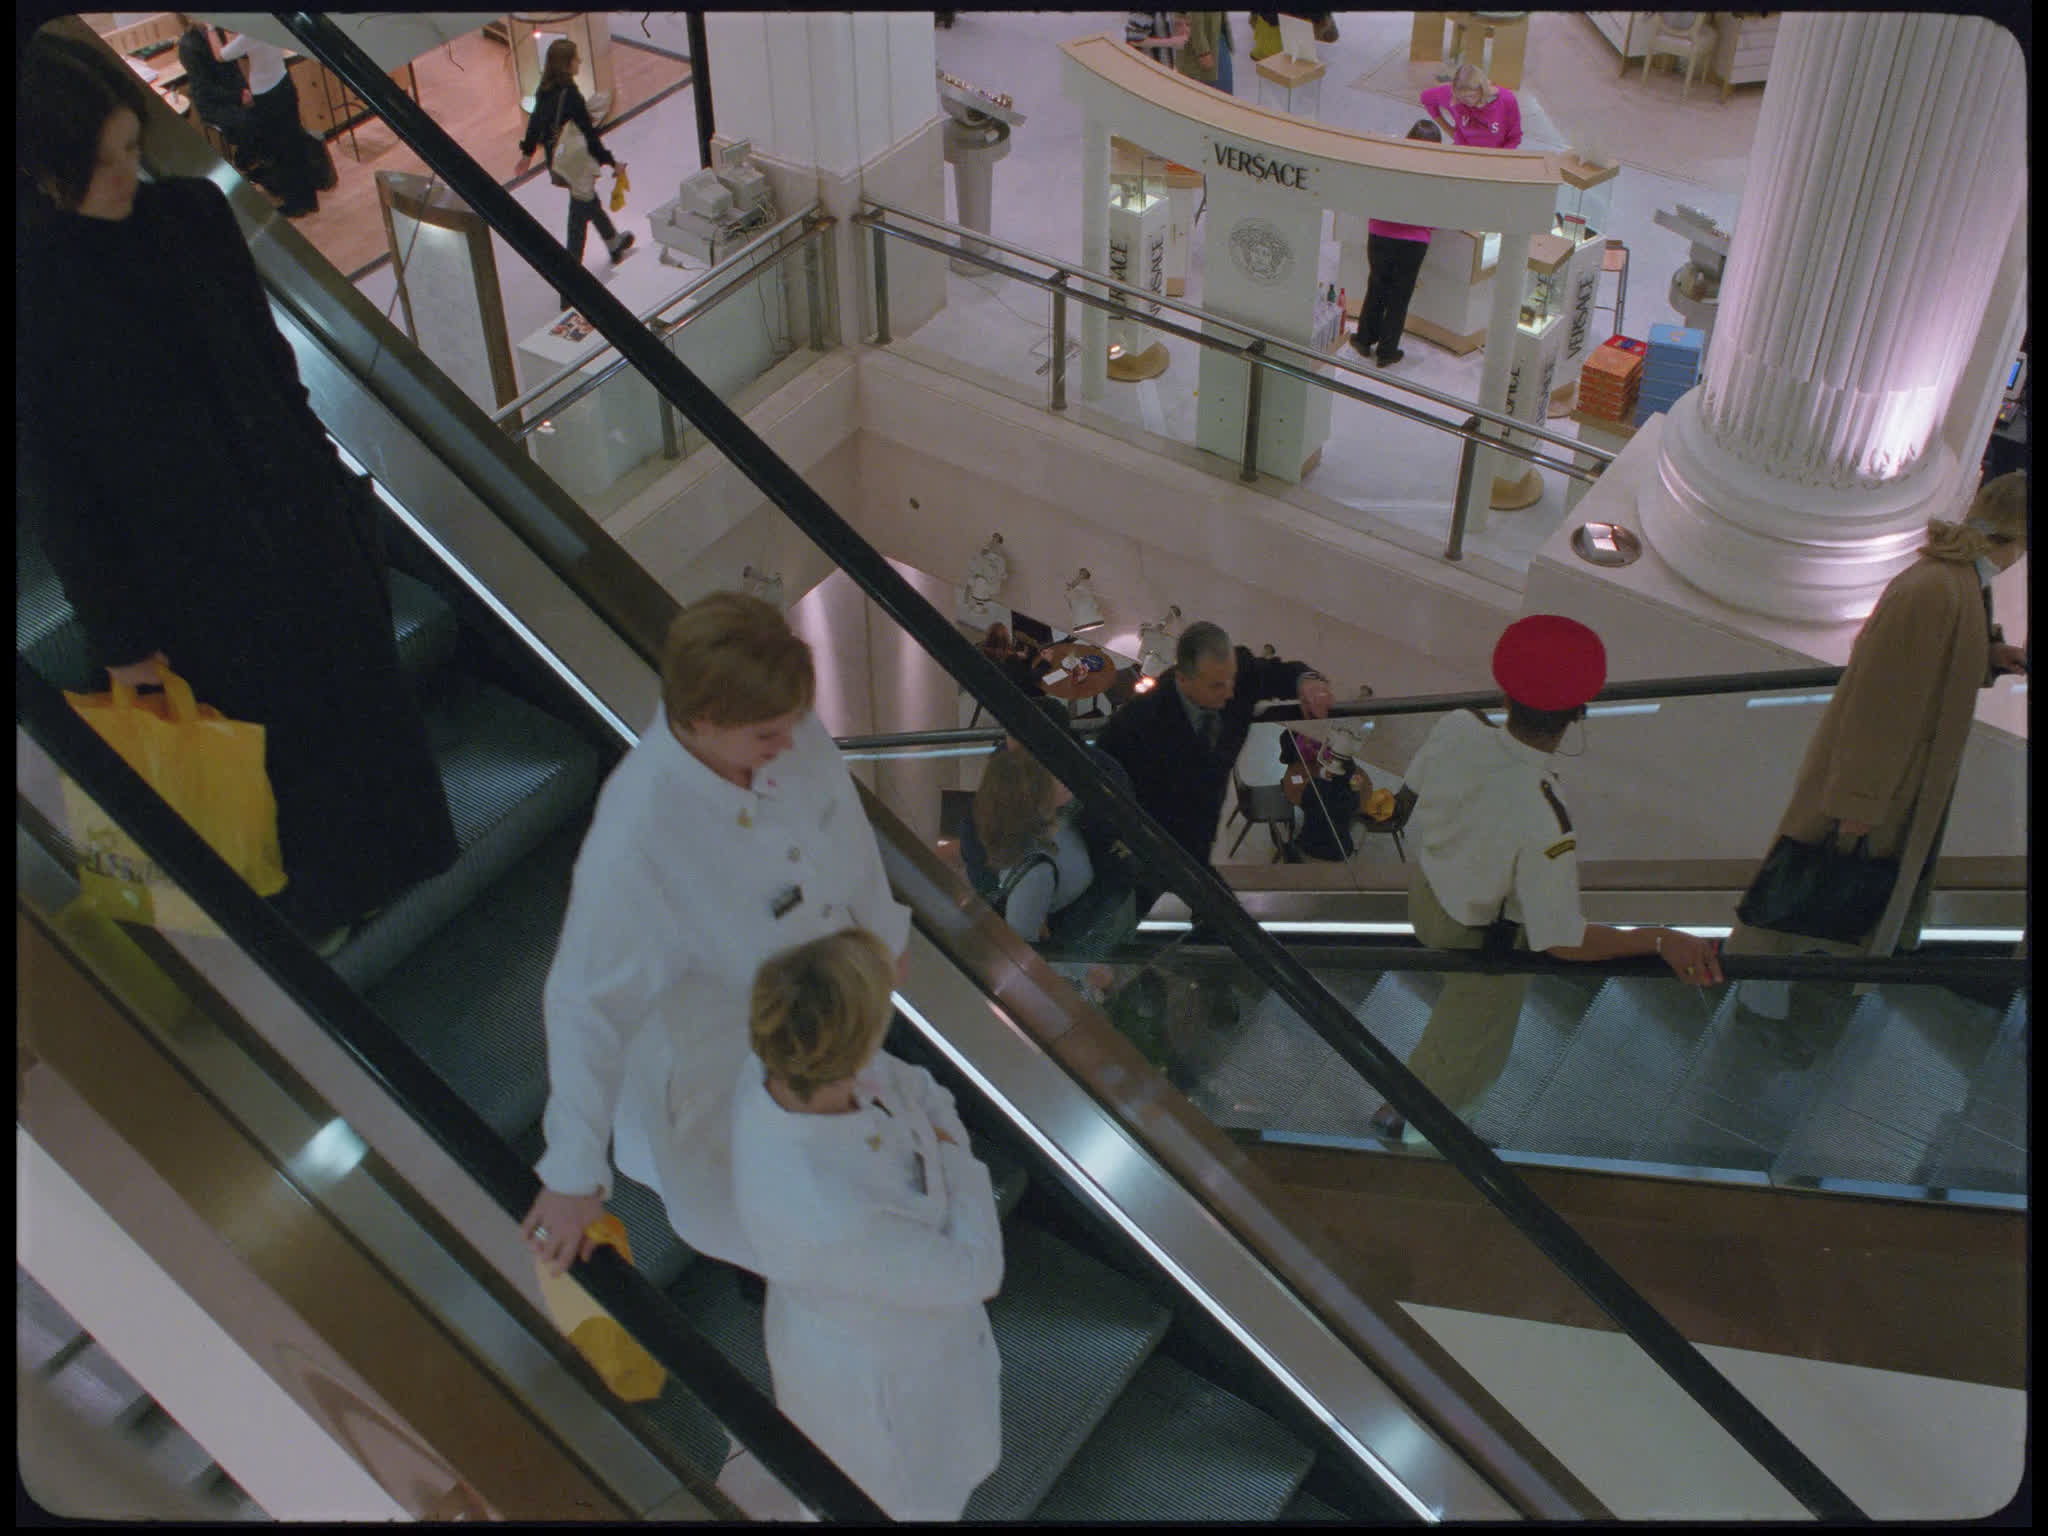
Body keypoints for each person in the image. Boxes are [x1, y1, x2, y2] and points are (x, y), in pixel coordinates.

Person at [17, 28, 458, 945]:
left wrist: (329, 488)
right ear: (47, 175)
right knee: (278, 745)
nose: (129, 176)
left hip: (293, 510)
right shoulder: (37, 296)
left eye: (133, 149)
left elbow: (271, 368)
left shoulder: (190, 216)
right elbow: (61, 487)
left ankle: (401, 864)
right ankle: (325, 909)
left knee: (358, 699)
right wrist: (122, 639)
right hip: (188, 565)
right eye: (104, 165)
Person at [523, 592, 913, 1278]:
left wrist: (880, 933)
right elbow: (587, 1003)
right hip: (722, 1065)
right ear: (701, 721)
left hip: (834, 1016)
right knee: (782, 1241)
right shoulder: (637, 839)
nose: (789, 743)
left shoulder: (787, 727)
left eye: (794, 721)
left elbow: (844, 829)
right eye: (767, 733)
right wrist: (572, 1173)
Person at [1368, 615, 1723, 1149]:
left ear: (1506, 696)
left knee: (1454, 1028)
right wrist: (1654, 938)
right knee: (1467, 1040)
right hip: (1478, 941)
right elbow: (1560, 938)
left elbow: (1401, 803)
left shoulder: (1457, 725)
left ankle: (1406, 1107)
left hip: (1425, 896)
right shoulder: (1543, 818)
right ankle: (1419, 1130)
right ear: (1578, 713)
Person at [1726, 473, 2029, 1045]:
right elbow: (1881, 701)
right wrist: (1858, 802)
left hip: (1889, 780)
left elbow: (1926, 664)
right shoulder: (1937, 588)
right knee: (1803, 895)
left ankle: (1773, 1003)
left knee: (1825, 893)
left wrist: (1989, 655)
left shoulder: (1956, 581)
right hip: (1875, 785)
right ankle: (1759, 1009)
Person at [733, 928, 1003, 1521]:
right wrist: (955, 1158)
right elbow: (977, 1267)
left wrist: (942, 1147)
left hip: (917, 1331)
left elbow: (923, 1090)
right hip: (881, 1389)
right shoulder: (822, 1211)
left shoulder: (796, 1060)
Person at [1096, 620, 1335, 905]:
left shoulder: (1233, 674)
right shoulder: (1138, 722)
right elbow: (1103, 784)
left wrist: (1307, 681)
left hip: (1203, 830)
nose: (1230, 693)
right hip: (1159, 841)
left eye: (1231, 680)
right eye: (1216, 686)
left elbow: (1278, 673)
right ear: (1183, 680)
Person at [513, 38, 634, 310]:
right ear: (567, 64)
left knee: (588, 202)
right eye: (576, 58)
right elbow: (589, 136)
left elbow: (535, 123)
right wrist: (611, 162)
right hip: (578, 163)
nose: (579, 62)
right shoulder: (571, 94)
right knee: (578, 220)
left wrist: (527, 153)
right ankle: (570, 285)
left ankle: (613, 243)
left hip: (559, 162)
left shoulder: (544, 90)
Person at [1349, 119, 1444, 368]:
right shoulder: (1438, 175)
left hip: (1380, 234)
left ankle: (1364, 339)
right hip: (1414, 243)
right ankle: (1387, 351)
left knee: (1376, 287)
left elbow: (1371, 194)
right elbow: (1439, 214)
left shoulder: (1390, 162)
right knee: (1400, 297)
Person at [216, 26, 327, 218]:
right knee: (293, 144)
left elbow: (222, 55)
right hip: (284, 85)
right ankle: (307, 199)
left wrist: (210, 27)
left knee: (281, 150)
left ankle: (296, 203)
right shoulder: (265, 20)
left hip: (268, 96)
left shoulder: (250, 32)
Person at [1421, 62, 1523, 149]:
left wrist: (1499, 157)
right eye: (1462, 97)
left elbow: (1515, 137)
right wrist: (1450, 131)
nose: (1466, 101)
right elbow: (1426, 98)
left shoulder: (1506, 99)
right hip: (1464, 152)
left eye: (1471, 96)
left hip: (1495, 155)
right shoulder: (1453, 95)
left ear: (1482, 89)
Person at [1174, 13, 1234, 96]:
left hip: (1217, 37)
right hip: (1203, 46)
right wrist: (1203, 51)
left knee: (1223, 93)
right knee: (1210, 94)